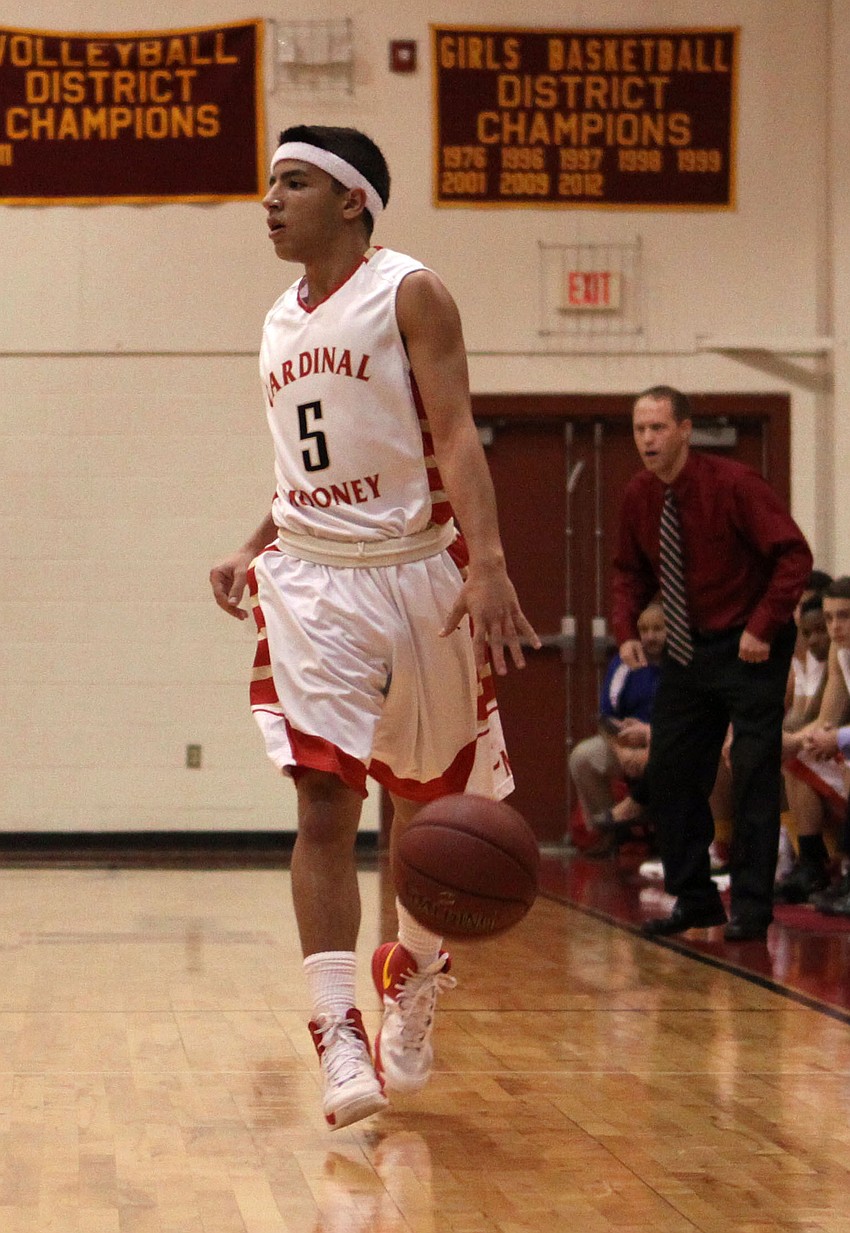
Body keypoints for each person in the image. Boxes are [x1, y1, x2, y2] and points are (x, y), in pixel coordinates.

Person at [209, 125, 538, 1131]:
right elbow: (305, 464)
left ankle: (415, 973)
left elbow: (453, 434)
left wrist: (486, 566)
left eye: (294, 182)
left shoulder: (409, 293)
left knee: (426, 806)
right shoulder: (275, 319)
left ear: (352, 201)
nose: (270, 199)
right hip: (310, 578)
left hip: (414, 574)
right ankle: (333, 1028)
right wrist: (253, 539)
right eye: (270, 182)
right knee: (321, 794)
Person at [611, 385, 812, 942]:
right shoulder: (639, 495)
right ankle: (695, 901)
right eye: (639, 430)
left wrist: (763, 624)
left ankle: (752, 905)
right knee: (670, 772)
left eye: (657, 428)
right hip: (686, 649)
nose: (647, 440)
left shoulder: (735, 484)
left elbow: (794, 556)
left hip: (751, 647)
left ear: (684, 430)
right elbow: (630, 570)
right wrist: (626, 630)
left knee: (751, 772)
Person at [569, 600, 664, 853]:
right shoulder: (624, 663)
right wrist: (622, 753)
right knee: (583, 757)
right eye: (644, 630)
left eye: (658, 629)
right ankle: (610, 832)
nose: (650, 636)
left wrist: (650, 746)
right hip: (626, 742)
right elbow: (605, 719)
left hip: (666, 741)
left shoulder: (684, 663)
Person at [780, 578, 850, 904]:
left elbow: (836, 732)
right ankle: (811, 863)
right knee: (796, 756)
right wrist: (790, 742)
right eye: (830, 617)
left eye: (845, 617)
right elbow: (826, 720)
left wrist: (838, 738)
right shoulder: (840, 651)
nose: (836, 626)